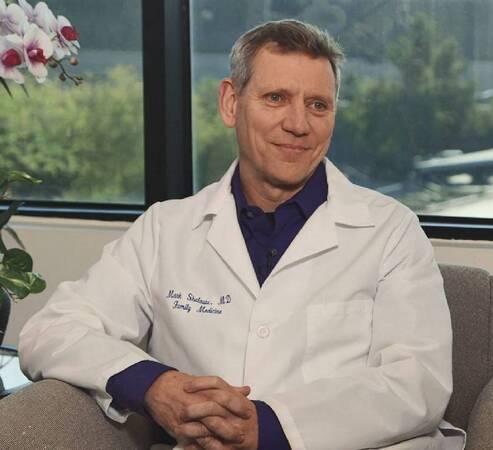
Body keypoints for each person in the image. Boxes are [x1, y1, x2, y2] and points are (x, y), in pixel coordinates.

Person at [19, 20, 461, 450]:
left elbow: (418, 383)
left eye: (318, 105)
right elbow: (51, 331)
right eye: (276, 98)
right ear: (231, 103)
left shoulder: (391, 231)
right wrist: (155, 386)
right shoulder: (165, 228)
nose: (298, 124)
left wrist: (265, 428)